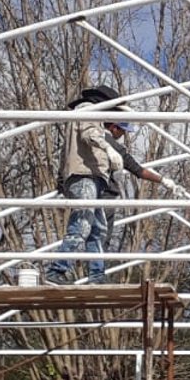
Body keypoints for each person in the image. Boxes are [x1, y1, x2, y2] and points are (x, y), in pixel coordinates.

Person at [43, 86, 164, 285]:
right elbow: (89, 134)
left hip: (94, 178)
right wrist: (109, 149)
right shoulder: (87, 109)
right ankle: (57, 270)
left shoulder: (94, 118)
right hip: (84, 177)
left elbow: (70, 149)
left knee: (98, 229)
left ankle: (97, 276)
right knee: (82, 223)